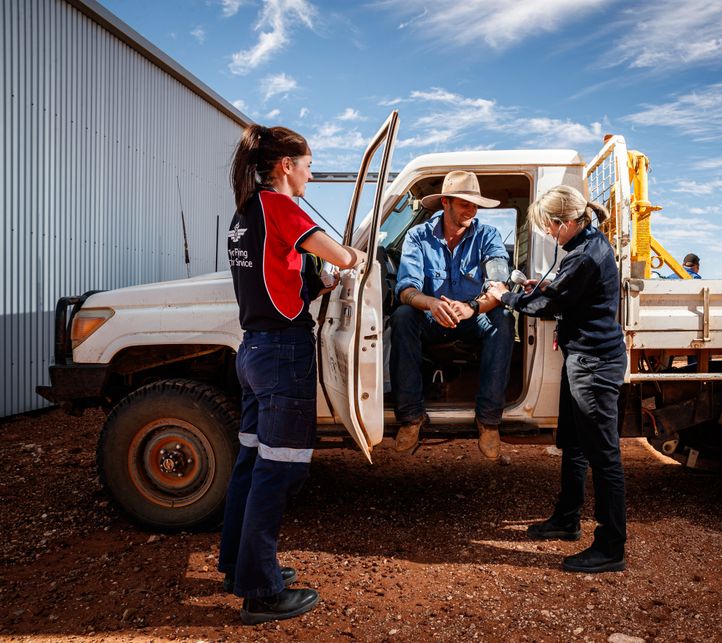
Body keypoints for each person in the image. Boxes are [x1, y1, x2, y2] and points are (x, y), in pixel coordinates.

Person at [219, 124, 366, 625]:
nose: (310, 174)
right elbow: (341, 254)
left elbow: (278, 278)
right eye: (307, 165)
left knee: (250, 461)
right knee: (279, 469)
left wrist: (318, 284)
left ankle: (236, 565)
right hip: (283, 354)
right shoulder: (281, 206)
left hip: (253, 350)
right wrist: (353, 260)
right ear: (286, 165)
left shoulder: (246, 212)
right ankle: (260, 591)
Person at [486, 185, 628, 574]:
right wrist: (543, 286)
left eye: (550, 227)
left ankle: (611, 547)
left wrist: (506, 296)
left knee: (603, 455)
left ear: (565, 222)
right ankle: (567, 519)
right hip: (584, 357)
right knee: (574, 443)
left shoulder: (583, 254)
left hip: (594, 363)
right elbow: (567, 294)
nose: (549, 234)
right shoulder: (587, 245)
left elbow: (548, 306)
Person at [390, 171, 515, 459]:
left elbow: (498, 283)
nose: (471, 210)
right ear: (445, 202)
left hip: (473, 316)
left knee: (504, 320)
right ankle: (411, 418)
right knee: (403, 317)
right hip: (431, 318)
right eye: (464, 204)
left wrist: (472, 307)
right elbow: (406, 289)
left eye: (475, 205)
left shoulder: (488, 235)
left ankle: (488, 420)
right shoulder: (418, 236)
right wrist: (432, 304)